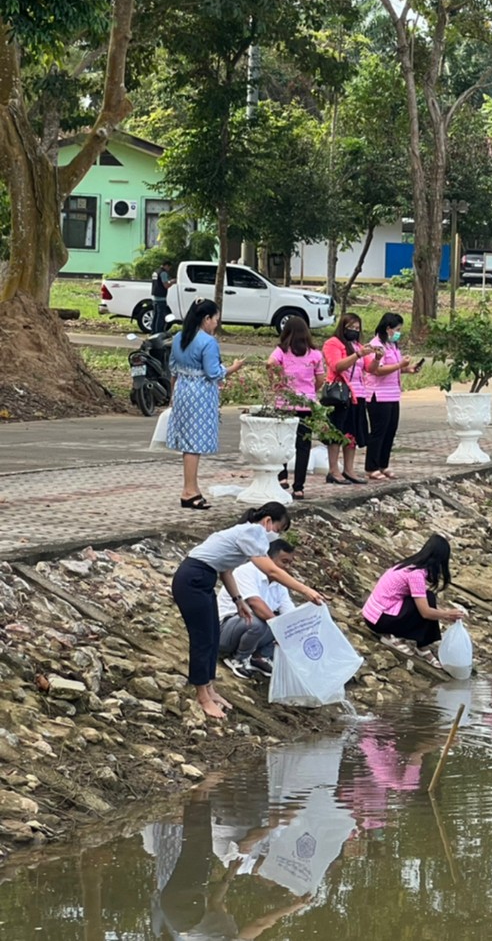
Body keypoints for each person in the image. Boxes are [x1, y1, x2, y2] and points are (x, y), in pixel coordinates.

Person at [172, 503, 317, 718]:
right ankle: (202, 696)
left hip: (204, 579)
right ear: (268, 522)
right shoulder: (253, 532)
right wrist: (305, 590)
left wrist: (238, 599)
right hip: (192, 578)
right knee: (202, 638)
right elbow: (271, 570)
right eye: (278, 529)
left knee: (211, 636)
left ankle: (210, 689)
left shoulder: (245, 533)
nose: (276, 535)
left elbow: (226, 570)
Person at [166, 299, 246, 511]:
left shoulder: (179, 337)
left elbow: (173, 369)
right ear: (206, 319)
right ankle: (189, 491)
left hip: (182, 390)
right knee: (194, 444)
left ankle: (191, 488)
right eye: (215, 320)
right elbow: (213, 373)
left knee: (187, 443)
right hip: (200, 394)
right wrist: (233, 368)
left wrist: (172, 396)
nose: (216, 324)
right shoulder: (208, 342)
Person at [215, 539, 321, 679]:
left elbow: (290, 614)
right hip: (223, 632)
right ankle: (238, 658)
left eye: (290, 563)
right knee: (260, 620)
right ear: (268, 560)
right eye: (284, 562)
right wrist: (280, 629)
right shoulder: (246, 572)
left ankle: (259, 657)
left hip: (248, 633)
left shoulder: (280, 585)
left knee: (286, 625)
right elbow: (255, 603)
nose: (287, 567)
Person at [363, 534, 468, 658]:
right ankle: (416, 643)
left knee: (427, 597)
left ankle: (422, 644)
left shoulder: (408, 565)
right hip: (379, 621)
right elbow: (425, 613)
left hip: (371, 614)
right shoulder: (416, 574)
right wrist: (447, 614)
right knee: (428, 601)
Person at [268, 316, 325, 500]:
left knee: (282, 441)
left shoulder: (281, 351)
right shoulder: (315, 354)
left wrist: (276, 383)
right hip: (305, 404)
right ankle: (299, 487)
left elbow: (270, 363)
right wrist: (310, 392)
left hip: (283, 404)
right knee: (303, 446)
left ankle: (282, 477)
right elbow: (321, 379)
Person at [366, 313, 421, 480]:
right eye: (397, 330)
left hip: (393, 394)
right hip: (378, 394)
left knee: (390, 431)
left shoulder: (392, 345)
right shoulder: (375, 346)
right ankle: (371, 466)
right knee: (378, 431)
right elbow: (377, 370)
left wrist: (408, 369)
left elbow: (394, 368)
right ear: (388, 328)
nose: (399, 333)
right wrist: (399, 365)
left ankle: (384, 464)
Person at [322, 314, 371, 486]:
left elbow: (370, 368)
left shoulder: (357, 345)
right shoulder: (333, 343)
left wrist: (376, 356)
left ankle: (349, 469)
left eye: (358, 329)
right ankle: (333, 469)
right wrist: (357, 355)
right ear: (343, 327)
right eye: (351, 328)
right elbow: (337, 366)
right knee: (336, 432)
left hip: (358, 395)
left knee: (352, 434)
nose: (354, 331)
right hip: (340, 394)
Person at [150, 263, 172, 332]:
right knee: (160, 317)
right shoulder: (163, 273)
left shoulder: (155, 272)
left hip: (155, 297)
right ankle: (158, 332)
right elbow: (166, 285)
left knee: (155, 316)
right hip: (161, 298)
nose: (169, 269)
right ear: (166, 266)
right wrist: (172, 282)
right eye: (169, 268)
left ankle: (153, 331)